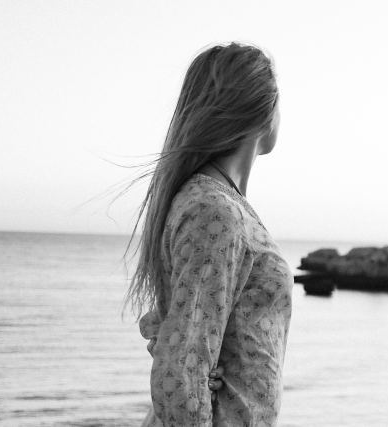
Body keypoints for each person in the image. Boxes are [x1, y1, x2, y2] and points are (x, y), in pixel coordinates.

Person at [124, 42, 291, 426]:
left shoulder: (217, 205)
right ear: (262, 111)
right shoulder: (214, 210)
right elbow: (179, 374)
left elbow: (189, 330)